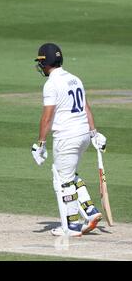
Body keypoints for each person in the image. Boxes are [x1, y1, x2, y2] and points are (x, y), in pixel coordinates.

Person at [31, 43, 107, 237]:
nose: (41, 67)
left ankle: (72, 226)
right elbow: (86, 108)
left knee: (63, 180)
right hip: (82, 134)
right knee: (69, 173)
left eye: (41, 62)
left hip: (66, 136)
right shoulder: (75, 79)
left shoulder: (51, 84)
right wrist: (94, 133)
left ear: (46, 63)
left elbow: (47, 117)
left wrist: (40, 143)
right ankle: (90, 211)